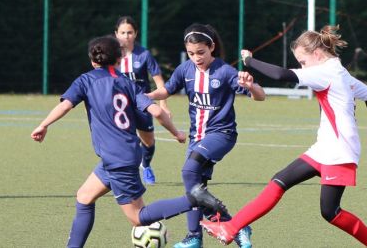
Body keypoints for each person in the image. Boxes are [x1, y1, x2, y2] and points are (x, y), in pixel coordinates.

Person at [197, 25, 367, 248]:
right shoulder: (339, 72)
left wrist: (249, 61)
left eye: (303, 62)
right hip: (325, 148)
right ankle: (230, 228)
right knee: (279, 180)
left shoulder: (326, 72)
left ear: (317, 54)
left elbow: (280, 74)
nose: (302, 67)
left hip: (340, 151)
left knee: (330, 211)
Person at [30, 35, 228, 248]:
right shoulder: (127, 83)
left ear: (92, 60)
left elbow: (66, 105)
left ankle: (195, 199)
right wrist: (175, 133)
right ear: (120, 58)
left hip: (117, 159)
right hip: (122, 155)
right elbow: (156, 112)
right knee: (84, 197)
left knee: (137, 217)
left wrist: (44, 124)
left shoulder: (86, 80)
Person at [146, 23, 266, 248]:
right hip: (196, 137)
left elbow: (260, 96)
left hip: (221, 134)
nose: (196, 57)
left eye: (201, 52)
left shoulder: (225, 72)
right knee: (194, 185)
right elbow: (167, 90)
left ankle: (227, 224)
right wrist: (147, 95)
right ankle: (198, 236)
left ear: (211, 47)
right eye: (191, 53)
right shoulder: (185, 70)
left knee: (188, 171)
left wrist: (251, 87)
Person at [114, 16, 170, 185]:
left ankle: (146, 165)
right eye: (122, 32)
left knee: (148, 142)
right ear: (116, 34)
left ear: (136, 33)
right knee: (123, 141)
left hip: (142, 103)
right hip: (120, 105)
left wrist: (163, 105)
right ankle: (125, 173)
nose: (126, 36)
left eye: (129, 32)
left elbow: (160, 83)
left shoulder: (144, 55)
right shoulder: (111, 55)